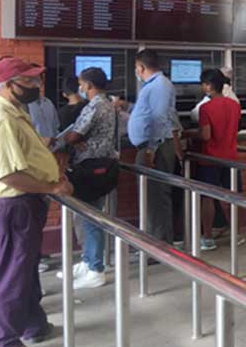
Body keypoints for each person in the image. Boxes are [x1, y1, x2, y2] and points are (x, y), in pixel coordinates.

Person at [0, 57, 73, 347]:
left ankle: (32, 323)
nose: (36, 85)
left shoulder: (16, 112)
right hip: (16, 206)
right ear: (7, 85)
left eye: (36, 80)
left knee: (25, 270)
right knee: (13, 276)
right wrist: (52, 186)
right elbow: (9, 174)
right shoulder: (2, 119)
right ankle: (4, 341)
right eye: (28, 81)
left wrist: (53, 175)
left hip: (27, 203)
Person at [60, 67, 117, 289]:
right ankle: (88, 260)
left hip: (90, 167)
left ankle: (95, 268)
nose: (80, 87)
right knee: (88, 215)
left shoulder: (95, 105)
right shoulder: (108, 103)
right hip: (99, 165)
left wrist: (68, 137)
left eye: (82, 83)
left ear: (90, 85)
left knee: (90, 216)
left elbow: (74, 135)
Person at [126, 49, 177, 244]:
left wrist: (150, 149)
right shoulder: (153, 86)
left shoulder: (159, 85)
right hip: (151, 146)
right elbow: (147, 113)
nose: (136, 72)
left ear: (141, 67)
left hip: (157, 147)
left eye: (136, 68)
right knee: (150, 197)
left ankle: (161, 245)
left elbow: (158, 118)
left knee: (156, 198)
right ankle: (154, 241)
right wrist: (126, 107)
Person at [194, 69, 242, 250]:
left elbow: (206, 135)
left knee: (208, 198)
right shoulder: (234, 105)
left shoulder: (206, 108)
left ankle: (208, 238)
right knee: (230, 197)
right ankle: (236, 234)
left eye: (203, 84)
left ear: (208, 86)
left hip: (210, 159)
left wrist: (191, 134)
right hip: (231, 157)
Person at [26, 68, 59, 141]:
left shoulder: (48, 102)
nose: (37, 83)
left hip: (51, 147)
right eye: (33, 79)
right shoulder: (23, 105)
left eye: (39, 79)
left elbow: (55, 127)